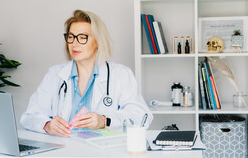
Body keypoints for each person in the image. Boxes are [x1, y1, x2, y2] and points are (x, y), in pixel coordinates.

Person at [20, 10, 153, 137]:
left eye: (82, 37)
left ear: (98, 42)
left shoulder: (121, 74)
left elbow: (141, 117)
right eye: (71, 37)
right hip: (63, 152)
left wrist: (104, 121)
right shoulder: (54, 74)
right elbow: (29, 117)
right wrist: (47, 125)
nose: (74, 43)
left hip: (104, 153)